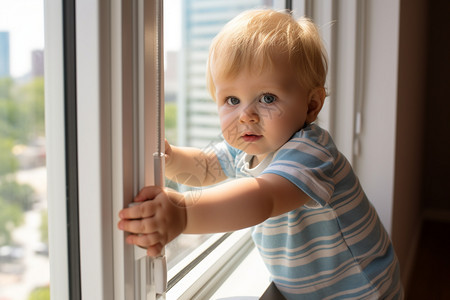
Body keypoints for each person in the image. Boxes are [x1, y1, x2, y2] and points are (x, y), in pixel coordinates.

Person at [118, 9, 403, 299]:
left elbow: (263, 199)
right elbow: (205, 167)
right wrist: (169, 157)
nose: (246, 115)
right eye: (232, 99)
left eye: (267, 98)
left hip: (361, 291)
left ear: (311, 105)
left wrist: (183, 215)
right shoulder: (249, 145)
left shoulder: (312, 153)